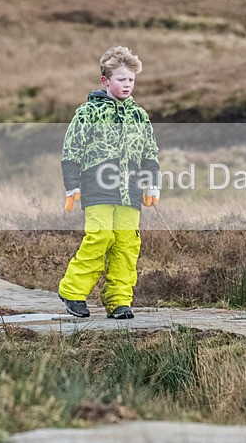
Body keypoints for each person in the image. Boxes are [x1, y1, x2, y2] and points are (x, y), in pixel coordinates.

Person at [58, 46, 160, 319]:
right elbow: (71, 152)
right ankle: (73, 292)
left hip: (131, 193)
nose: (127, 84)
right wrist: (72, 186)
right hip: (97, 189)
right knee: (100, 237)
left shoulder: (140, 115)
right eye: (121, 79)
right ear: (105, 80)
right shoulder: (87, 112)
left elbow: (150, 154)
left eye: (131, 80)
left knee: (126, 245)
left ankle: (119, 301)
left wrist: (152, 185)